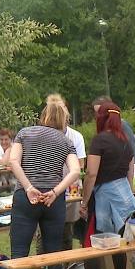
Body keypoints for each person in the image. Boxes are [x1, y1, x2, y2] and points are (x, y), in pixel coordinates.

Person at [1, 102, 82, 269]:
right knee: (53, 250)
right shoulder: (66, 142)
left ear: (44, 116)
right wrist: (56, 191)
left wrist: (28, 187)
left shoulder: (24, 133)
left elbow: (13, 162)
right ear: (64, 120)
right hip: (52, 201)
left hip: (27, 197)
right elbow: (76, 170)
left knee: (19, 249)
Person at [71, 101, 135, 269]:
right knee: (118, 241)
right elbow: (130, 173)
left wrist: (84, 200)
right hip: (123, 195)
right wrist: (126, 195)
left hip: (103, 197)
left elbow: (91, 173)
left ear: (101, 118)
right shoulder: (126, 140)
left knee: (91, 243)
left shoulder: (99, 140)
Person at [44, 94, 86, 250]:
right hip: (46, 188)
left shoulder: (76, 137)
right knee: (44, 234)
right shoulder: (42, 135)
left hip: (70, 188)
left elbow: (80, 166)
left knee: (67, 232)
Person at [92, 95, 135, 167]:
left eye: (100, 112)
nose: (98, 116)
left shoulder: (121, 124)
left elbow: (133, 148)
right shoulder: (102, 129)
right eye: (96, 112)